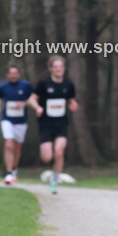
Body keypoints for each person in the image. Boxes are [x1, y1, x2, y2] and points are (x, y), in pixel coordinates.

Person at [35, 55, 79, 194]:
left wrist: (73, 104)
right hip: (46, 125)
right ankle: (49, 167)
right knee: (47, 157)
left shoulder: (68, 85)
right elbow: (32, 99)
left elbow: (71, 100)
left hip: (61, 124)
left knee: (59, 151)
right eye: (56, 67)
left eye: (61, 67)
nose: (59, 69)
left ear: (64, 68)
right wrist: (37, 107)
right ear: (50, 68)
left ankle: (54, 180)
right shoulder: (44, 84)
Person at [0, 66, 41, 185]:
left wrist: (26, 104)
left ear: (19, 74)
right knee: (9, 144)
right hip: (7, 120)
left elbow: (32, 98)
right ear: (8, 75)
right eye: (11, 73)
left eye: (15, 73)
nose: (13, 75)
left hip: (21, 121)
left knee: (17, 147)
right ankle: (8, 173)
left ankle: (14, 169)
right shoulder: (3, 86)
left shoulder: (25, 85)